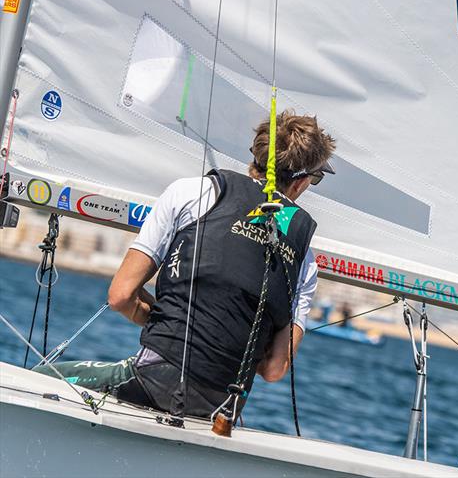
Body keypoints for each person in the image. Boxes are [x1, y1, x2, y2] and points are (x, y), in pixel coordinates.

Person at [35, 110, 335, 419]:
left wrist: (173, 327)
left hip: (153, 379)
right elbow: (274, 369)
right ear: (299, 184)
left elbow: (121, 296)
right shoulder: (305, 259)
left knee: (38, 378)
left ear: (255, 156)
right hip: (222, 411)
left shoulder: (192, 193)